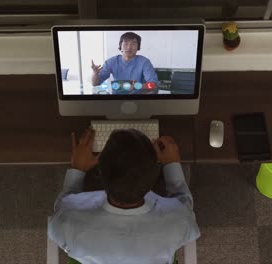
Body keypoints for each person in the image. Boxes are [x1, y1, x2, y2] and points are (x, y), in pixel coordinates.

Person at [48, 127, 200, 264]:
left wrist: (78, 168)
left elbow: (63, 205)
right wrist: (172, 163)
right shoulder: (179, 222)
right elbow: (185, 205)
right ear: (155, 174)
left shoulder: (66, 223)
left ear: (99, 172)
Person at [91, 32, 159, 94]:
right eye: (125, 44)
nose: (129, 47)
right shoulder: (111, 62)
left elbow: (154, 84)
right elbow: (95, 83)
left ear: (138, 47)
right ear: (120, 46)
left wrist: (138, 86)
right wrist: (95, 74)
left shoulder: (144, 62)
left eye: (133, 44)